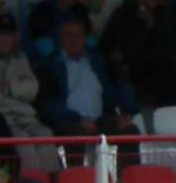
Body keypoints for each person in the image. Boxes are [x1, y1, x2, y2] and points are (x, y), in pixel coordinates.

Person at [35, 16, 142, 157]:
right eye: (69, 34)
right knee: (73, 134)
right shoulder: (49, 66)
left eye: (79, 34)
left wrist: (125, 112)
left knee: (130, 131)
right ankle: (76, 177)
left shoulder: (98, 59)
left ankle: (127, 178)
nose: (75, 39)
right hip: (70, 122)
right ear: (60, 38)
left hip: (100, 118)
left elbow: (121, 84)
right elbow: (47, 104)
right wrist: (77, 119)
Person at [0, 15, 46, 140]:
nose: (5, 39)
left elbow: (33, 88)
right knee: (23, 141)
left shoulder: (20, 57)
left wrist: (7, 87)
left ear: (16, 37)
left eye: (9, 34)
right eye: (1, 34)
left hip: (25, 117)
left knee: (45, 135)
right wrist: (19, 89)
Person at [23, 0, 94, 54]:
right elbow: (43, 48)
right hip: (43, 63)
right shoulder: (41, 10)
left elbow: (90, 42)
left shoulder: (80, 10)